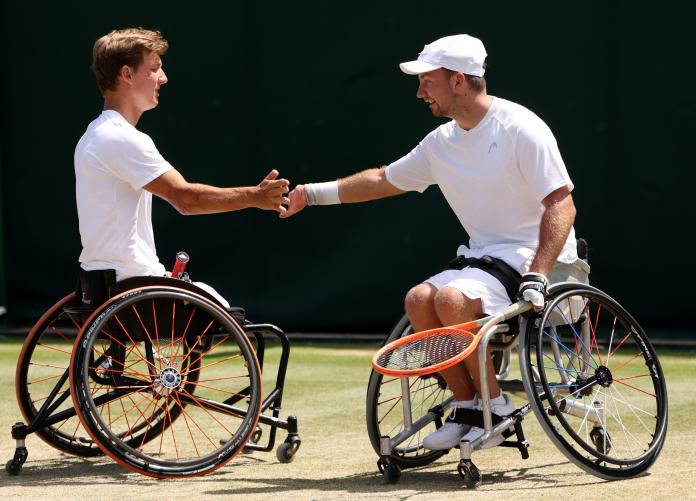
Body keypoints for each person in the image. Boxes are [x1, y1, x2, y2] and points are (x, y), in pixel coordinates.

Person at [281, 34, 578, 449]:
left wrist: (538, 273)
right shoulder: (443, 142)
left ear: (458, 80)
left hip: (541, 262)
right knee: (419, 299)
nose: (420, 92)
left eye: (428, 81)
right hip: (485, 260)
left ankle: (496, 405)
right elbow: (383, 179)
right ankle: (469, 405)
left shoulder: (521, 127)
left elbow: (561, 204)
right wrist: (312, 194)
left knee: (451, 301)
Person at [75, 28, 289, 306]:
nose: (163, 78)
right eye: (154, 69)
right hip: (130, 287)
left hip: (101, 283)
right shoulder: (121, 137)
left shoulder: (93, 135)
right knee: (234, 320)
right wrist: (254, 196)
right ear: (127, 75)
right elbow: (187, 199)